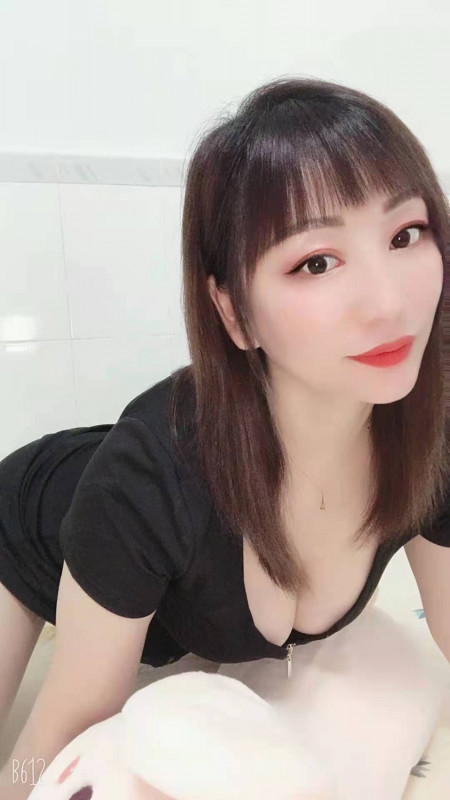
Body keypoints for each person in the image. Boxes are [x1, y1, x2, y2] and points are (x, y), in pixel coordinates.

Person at [1, 74, 449, 799]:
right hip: (25, 531)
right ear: (234, 312)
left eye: (405, 235)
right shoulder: (152, 477)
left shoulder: (429, 432)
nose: (389, 302)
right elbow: (58, 742)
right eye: (316, 261)